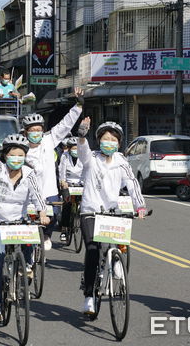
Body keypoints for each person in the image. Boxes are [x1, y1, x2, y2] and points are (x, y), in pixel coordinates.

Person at [76, 119, 147, 315]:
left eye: (113, 139)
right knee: (92, 249)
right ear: (99, 141)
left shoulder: (121, 162)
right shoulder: (91, 158)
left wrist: (139, 205)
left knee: (117, 242)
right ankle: (89, 296)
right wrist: (82, 136)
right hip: (90, 211)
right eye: (106, 139)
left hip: (111, 211)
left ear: (119, 143)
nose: (109, 142)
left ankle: (116, 260)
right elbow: (82, 150)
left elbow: (132, 183)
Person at [0, 134, 49, 322]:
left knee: (31, 236)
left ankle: (27, 265)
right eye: (13, 154)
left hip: (18, 221)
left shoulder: (29, 173)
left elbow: (37, 195)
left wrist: (42, 212)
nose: (16, 159)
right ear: (5, 155)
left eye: (20, 155)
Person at [22, 87, 84, 250]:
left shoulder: (49, 139)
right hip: (27, 193)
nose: (36, 133)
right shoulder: (19, 147)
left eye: (38, 129)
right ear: (25, 132)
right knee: (26, 224)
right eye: (32, 130)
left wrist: (78, 106)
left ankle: (47, 234)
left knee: (54, 215)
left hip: (49, 191)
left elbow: (65, 124)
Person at [58, 136, 84, 242]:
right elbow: (62, 171)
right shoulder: (65, 156)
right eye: (73, 148)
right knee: (67, 203)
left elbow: (87, 171)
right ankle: (64, 229)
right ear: (69, 149)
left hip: (81, 183)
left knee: (86, 204)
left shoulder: (84, 156)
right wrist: (63, 182)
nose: (75, 150)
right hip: (68, 184)